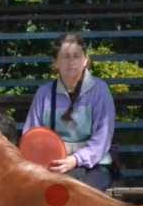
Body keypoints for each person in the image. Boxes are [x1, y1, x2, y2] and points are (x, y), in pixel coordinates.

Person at [22, 32, 117, 190]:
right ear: (56, 63)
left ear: (86, 60)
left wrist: (75, 160)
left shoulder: (100, 91)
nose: (71, 62)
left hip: (94, 166)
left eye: (76, 56)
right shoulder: (44, 94)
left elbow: (102, 140)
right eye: (65, 56)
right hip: (52, 167)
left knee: (77, 194)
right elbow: (31, 136)